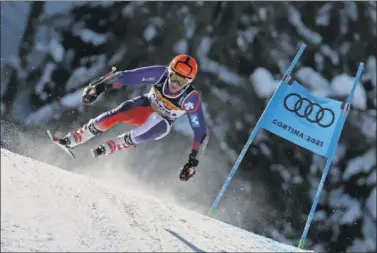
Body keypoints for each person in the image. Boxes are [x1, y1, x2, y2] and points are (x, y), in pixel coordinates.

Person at [55, 54, 208, 181]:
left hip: (162, 123)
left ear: (189, 82)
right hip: (145, 106)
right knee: (120, 112)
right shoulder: (160, 74)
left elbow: (200, 132)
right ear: (169, 71)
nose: (175, 83)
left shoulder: (190, 99)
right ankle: (75, 138)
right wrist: (99, 87)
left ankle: (115, 144)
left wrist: (192, 162)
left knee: (154, 124)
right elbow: (128, 76)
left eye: (181, 81)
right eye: (174, 76)